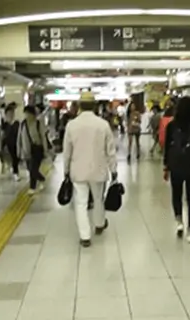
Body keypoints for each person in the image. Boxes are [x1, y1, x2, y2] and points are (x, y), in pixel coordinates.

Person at [63, 92, 118, 248]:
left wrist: (66, 170)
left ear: (79, 106)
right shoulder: (103, 125)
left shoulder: (71, 125)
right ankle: (99, 224)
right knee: (98, 198)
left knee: (80, 203)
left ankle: (85, 236)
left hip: (78, 171)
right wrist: (113, 170)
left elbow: (67, 152)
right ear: (94, 106)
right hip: (98, 170)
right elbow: (110, 151)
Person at [163, 97, 190, 243]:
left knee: (177, 194)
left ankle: (179, 221)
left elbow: (167, 147)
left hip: (176, 166)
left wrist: (166, 166)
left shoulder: (172, 125)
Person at [17, 105, 48, 195]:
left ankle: (32, 187)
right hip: (27, 150)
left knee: (33, 168)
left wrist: (45, 151)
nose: (26, 115)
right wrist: (19, 150)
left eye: (28, 113)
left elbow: (43, 137)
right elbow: (19, 138)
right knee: (29, 168)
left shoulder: (38, 123)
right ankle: (41, 179)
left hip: (37, 149)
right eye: (25, 113)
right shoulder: (22, 124)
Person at [2, 103, 21, 181]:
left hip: (16, 144)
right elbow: (2, 135)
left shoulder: (17, 123)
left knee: (16, 158)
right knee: (12, 159)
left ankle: (15, 171)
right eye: (9, 113)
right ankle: (15, 172)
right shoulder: (5, 124)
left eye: (12, 113)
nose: (11, 114)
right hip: (8, 145)